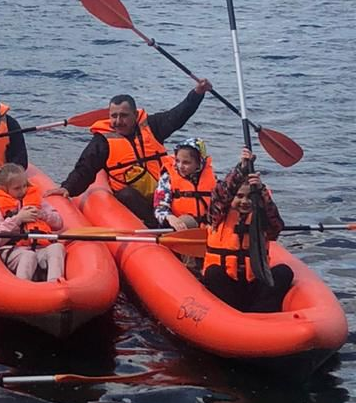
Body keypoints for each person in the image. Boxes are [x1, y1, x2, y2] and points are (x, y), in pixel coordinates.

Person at [46, 82, 212, 226]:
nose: (118, 121)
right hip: (137, 200)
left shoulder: (152, 126)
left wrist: (197, 94)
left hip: (164, 192)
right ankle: (155, 225)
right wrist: (67, 188)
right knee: (126, 194)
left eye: (124, 116)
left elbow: (178, 115)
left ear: (135, 115)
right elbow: (85, 168)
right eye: (114, 116)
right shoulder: (102, 141)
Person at [201, 147, 293, 314]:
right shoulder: (218, 214)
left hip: (254, 281)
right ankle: (232, 316)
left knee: (284, 272)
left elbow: (276, 228)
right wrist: (241, 168)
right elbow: (221, 194)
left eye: (250, 197)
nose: (245, 201)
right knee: (213, 273)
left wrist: (261, 192)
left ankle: (260, 314)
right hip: (227, 285)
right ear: (231, 198)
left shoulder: (262, 215)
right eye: (240, 196)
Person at [0, 163, 66, 283]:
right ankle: (23, 289)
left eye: (24, 186)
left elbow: (58, 223)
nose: (23, 191)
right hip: (14, 250)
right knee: (28, 256)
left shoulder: (37, 200)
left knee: (57, 247)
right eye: (17, 188)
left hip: (40, 247)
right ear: (3, 188)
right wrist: (18, 219)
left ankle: (54, 285)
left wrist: (43, 215)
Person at [153, 137, 216, 230]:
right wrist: (170, 218)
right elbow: (159, 207)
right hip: (177, 225)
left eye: (186, 162)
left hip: (206, 226)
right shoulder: (167, 177)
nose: (180, 166)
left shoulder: (212, 177)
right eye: (177, 161)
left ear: (199, 163)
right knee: (187, 221)